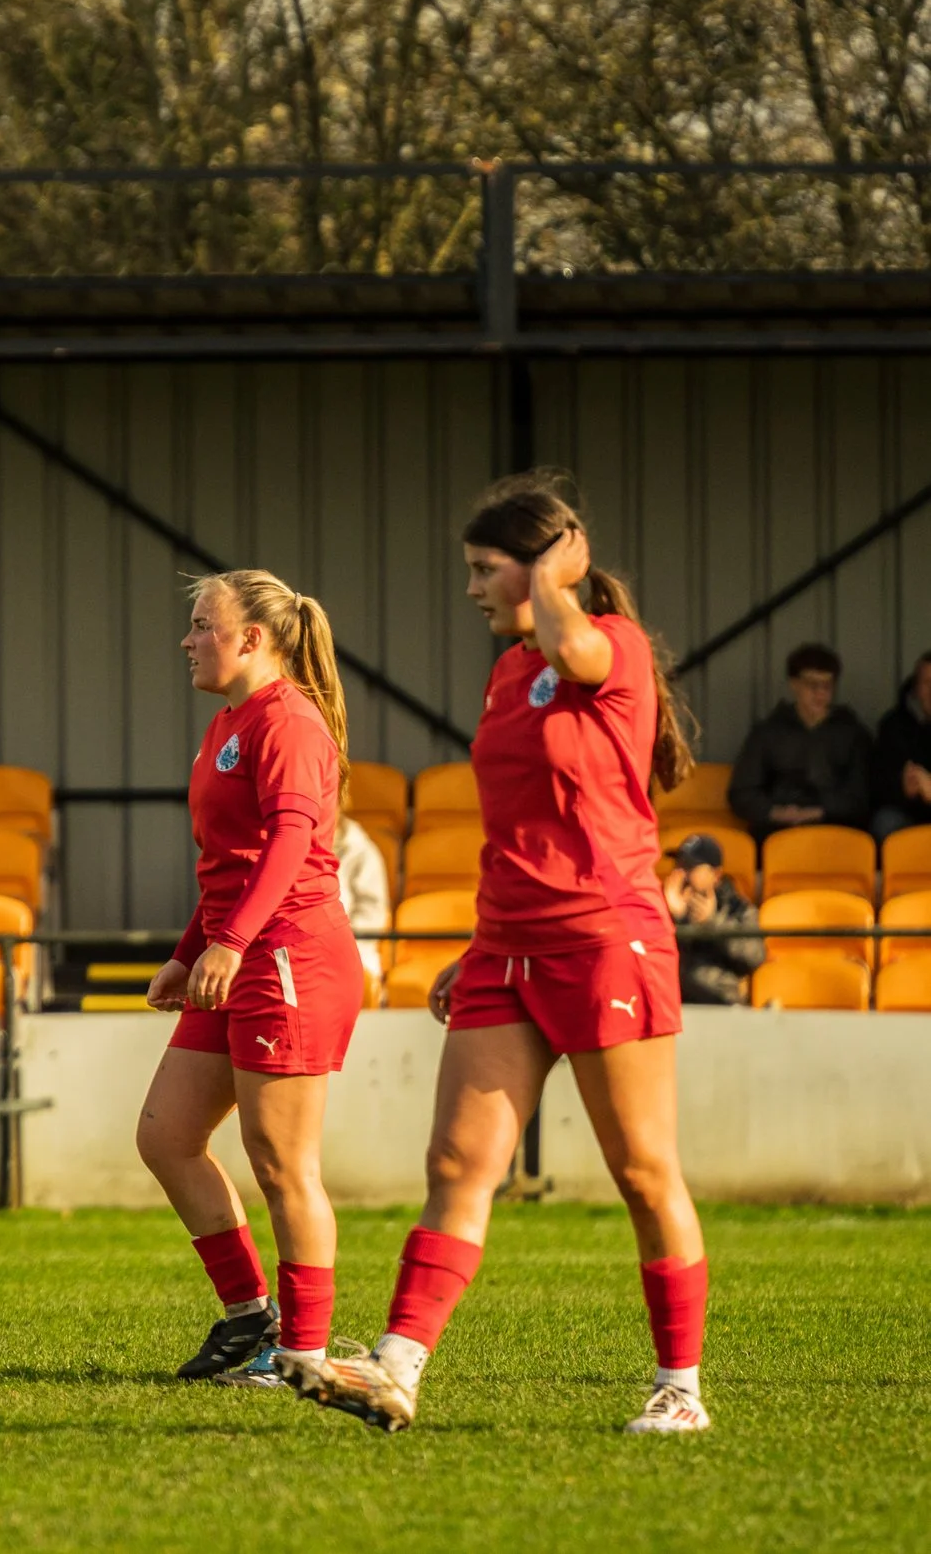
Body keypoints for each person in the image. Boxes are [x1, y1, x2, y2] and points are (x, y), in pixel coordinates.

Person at [284, 473, 713, 1436]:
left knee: (643, 1171)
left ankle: (680, 1388)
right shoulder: (512, 668)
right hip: (509, 950)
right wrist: (479, 942)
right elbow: (521, 824)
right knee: (457, 1163)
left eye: (486, 568)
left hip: (608, 943)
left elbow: (578, 642)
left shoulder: (612, 649)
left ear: (548, 565)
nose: (472, 587)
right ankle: (397, 1368)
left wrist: (561, 577)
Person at [137, 570, 359, 1390]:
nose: (188, 638)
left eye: (202, 624)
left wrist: (226, 942)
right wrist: (189, 949)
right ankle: (248, 1318)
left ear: (252, 639)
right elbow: (228, 866)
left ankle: (300, 1352)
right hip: (238, 952)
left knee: (282, 1161)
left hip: (289, 955)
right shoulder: (229, 721)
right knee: (165, 1134)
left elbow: (291, 841)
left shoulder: (289, 720)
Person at [728, 643, 875, 839]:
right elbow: (742, 791)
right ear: (794, 683)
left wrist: (818, 812)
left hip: (838, 827)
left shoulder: (853, 733)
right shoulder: (768, 732)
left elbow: (861, 796)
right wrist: (776, 813)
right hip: (777, 828)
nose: (820, 693)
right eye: (812, 685)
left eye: (827, 686)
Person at [664, 834, 764, 1007]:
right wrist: (674, 918)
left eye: (690, 867)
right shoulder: (663, 904)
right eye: (678, 865)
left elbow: (753, 956)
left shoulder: (736, 908)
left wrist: (712, 923)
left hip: (718, 1003)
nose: (681, 874)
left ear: (716, 875)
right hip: (670, 1001)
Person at [872, 649, 931, 839]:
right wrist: (903, 788)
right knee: (885, 821)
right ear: (915, 687)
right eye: (927, 683)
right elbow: (877, 785)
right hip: (907, 813)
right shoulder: (893, 725)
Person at [334, 814, 392, 984]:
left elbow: (372, 910)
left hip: (354, 946)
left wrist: (338, 941)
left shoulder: (362, 850)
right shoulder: (296, 844)